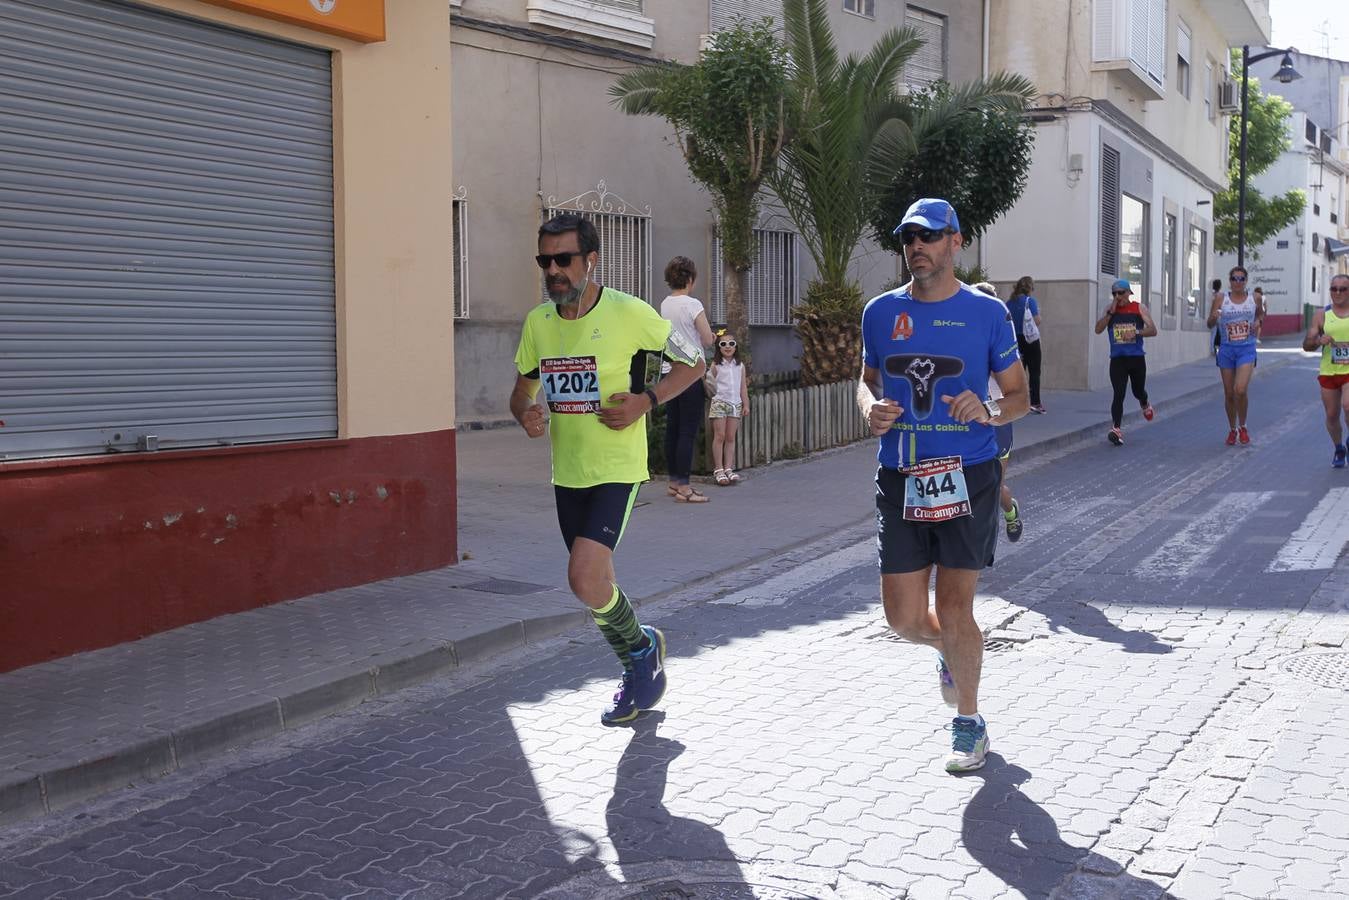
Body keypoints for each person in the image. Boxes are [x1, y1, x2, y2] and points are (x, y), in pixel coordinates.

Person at [511, 214, 706, 725]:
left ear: (590, 260)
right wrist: (524, 411)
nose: (553, 270)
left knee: (582, 577)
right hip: (566, 473)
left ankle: (641, 649)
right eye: (544, 260)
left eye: (564, 259)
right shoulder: (538, 323)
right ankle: (638, 668)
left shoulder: (630, 314)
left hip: (616, 469)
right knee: (600, 583)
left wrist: (646, 400)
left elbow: (695, 362)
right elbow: (522, 388)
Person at [857, 199, 1028, 773]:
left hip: (967, 474)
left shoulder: (987, 314)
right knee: (904, 620)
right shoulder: (880, 313)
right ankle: (949, 654)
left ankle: (969, 722)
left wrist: (989, 407)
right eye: (908, 237)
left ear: (957, 241)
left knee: (956, 606)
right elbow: (867, 380)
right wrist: (869, 409)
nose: (916, 247)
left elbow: (1019, 397)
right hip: (900, 474)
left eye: (929, 236)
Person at [659, 256, 715, 503]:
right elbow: (706, 339)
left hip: (668, 371)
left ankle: (673, 482)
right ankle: (684, 486)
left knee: (673, 427)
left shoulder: (664, 304)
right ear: (690, 279)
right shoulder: (693, 305)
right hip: (690, 372)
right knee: (687, 430)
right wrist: (712, 335)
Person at [974, 283, 1023, 542]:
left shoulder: (1002, 337)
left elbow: (1016, 390)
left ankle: (1010, 510)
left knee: (992, 487)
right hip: (967, 424)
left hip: (998, 421)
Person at [1094, 278, 1157, 446]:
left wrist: (1136, 332)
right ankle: (1116, 428)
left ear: (1129, 293)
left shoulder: (1138, 307)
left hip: (1136, 358)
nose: (1117, 297)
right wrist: (1109, 314)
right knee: (1118, 393)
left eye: (1120, 293)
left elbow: (1153, 330)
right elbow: (1098, 329)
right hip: (1117, 359)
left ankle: (1144, 402)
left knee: (1137, 391)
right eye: (1114, 294)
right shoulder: (1110, 310)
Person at [1207, 266, 1262, 446]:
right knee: (1229, 393)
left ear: (1246, 281)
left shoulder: (1255, 298)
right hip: (1227, 350)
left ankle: (1243, 426)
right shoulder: (1221, 299)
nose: (1237, 282)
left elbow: (1260, 314)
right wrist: (1215, 317)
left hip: (1246, 349)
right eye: (1234, 279)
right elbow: (1209, 323)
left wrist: (1257, 322)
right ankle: (1232, 429)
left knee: (1240, 390)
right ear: (1229, 281)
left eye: (1241, 279)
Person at [1304, 273, 1349, 468]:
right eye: (1334, 289)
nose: (1337, 292)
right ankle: (1339, 448)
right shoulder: (1322, 314)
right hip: (1329, 371)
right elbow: (1306, 345)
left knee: (1348, 406)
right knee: (1332, 415)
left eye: (1343, 289)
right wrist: (1317, 341)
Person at [707, 330, 749, 486]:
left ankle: (728, 468)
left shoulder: (740, 366)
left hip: (735, 403)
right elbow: (709, 385)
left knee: (731, 437)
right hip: (719, 402)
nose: (727, 347)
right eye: (723, 344)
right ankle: (718, 469)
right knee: (720, 436)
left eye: (731, 343)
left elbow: (743, 387)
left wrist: (746, 404)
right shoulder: (716, 365)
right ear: (719, 347)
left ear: (736, 346)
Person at [1007, 276, 1044, 414]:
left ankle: (1018, 402)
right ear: (1030, 288)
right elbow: (1037, 321)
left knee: (1019, 372)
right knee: (1034, 372)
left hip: (1015, 341)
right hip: (1030, 341)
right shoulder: (1030, 301)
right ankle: (1035, 402)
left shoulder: (1009, 303)